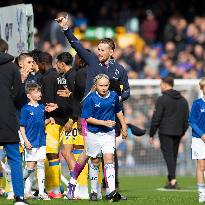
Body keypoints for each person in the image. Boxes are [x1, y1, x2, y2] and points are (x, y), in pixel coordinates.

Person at [67, 74, 127, 202]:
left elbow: (118, 110)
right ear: (96, 86)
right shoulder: (91, 99)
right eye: (101, 85)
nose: (104, 88)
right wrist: (104, 122)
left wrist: (124, 125)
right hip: (92, 133)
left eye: (106, 85)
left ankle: (112, 192)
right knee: (93, 159)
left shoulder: (114, 96)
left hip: (108, 133)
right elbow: (87, 118)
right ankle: (74, 183)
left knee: (109, 159)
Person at [0, 51, 29, 204]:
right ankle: (19, 197)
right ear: (5, 51)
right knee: (15, 158)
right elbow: (18, 95)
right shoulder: (12, 69)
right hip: (7, 119)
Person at [149, 76, 189, 189]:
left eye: (161, 84)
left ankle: (173, 181)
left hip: (165, 132)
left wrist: (151, 133)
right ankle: (171, 179)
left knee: (169, 156)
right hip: (178, 133)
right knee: (173, 156)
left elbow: (156, 118)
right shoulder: (183, 100)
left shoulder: (162, 99)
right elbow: (187, 119)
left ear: (165, 84)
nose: (160, 86)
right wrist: (183, 131)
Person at [19, 83, 52, 200]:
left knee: (41, 163)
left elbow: (40, 124)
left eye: (40, 91)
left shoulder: (42, 107)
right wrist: (25, 141)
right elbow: (22, 126)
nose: (40, 94)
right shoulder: (25, 109)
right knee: (30, 167)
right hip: (31, 142)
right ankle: (18, 186)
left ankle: (42, 192)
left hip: (41, 140)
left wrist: (48, 120)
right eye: (37, 92)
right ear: (29, 95)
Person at [189, 77, 205, 203]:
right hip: (199, 139)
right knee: (201, 165)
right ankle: (201, 194)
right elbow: (192, 121)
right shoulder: (197, 103)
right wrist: (202, 135)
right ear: (202, 88)